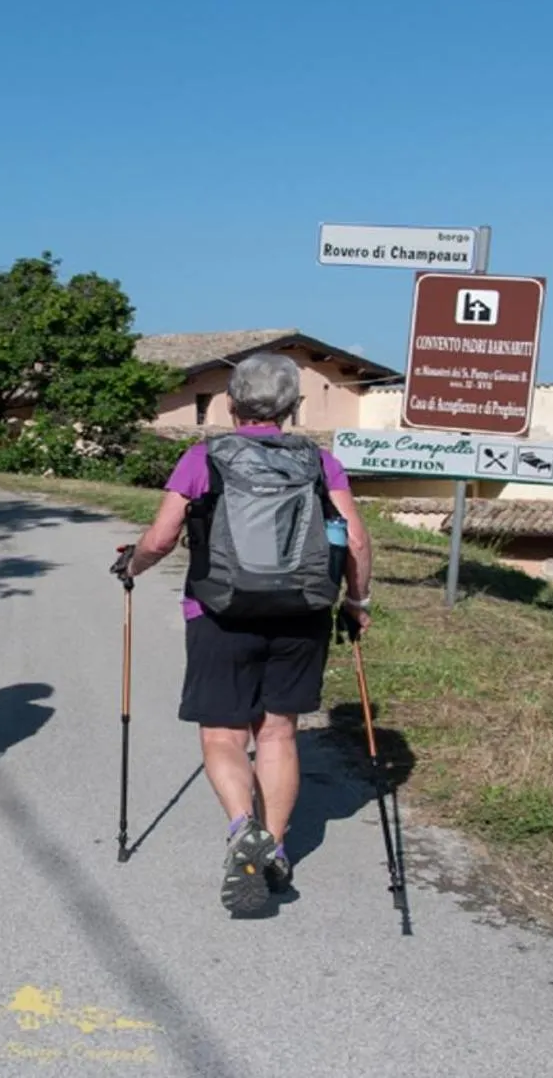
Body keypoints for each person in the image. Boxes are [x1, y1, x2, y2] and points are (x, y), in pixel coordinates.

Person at [112, 352, 371, 915]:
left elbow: (161, 538)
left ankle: (241, 828)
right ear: (293, 407)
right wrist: (356, 603)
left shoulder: (202, 458)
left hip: (220, 613)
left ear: (230, 404)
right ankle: (274, 847)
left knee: (223, 735)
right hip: (302, 612)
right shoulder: (320, 463)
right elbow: (353, 539)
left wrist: (132, 565)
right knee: (277, 734)